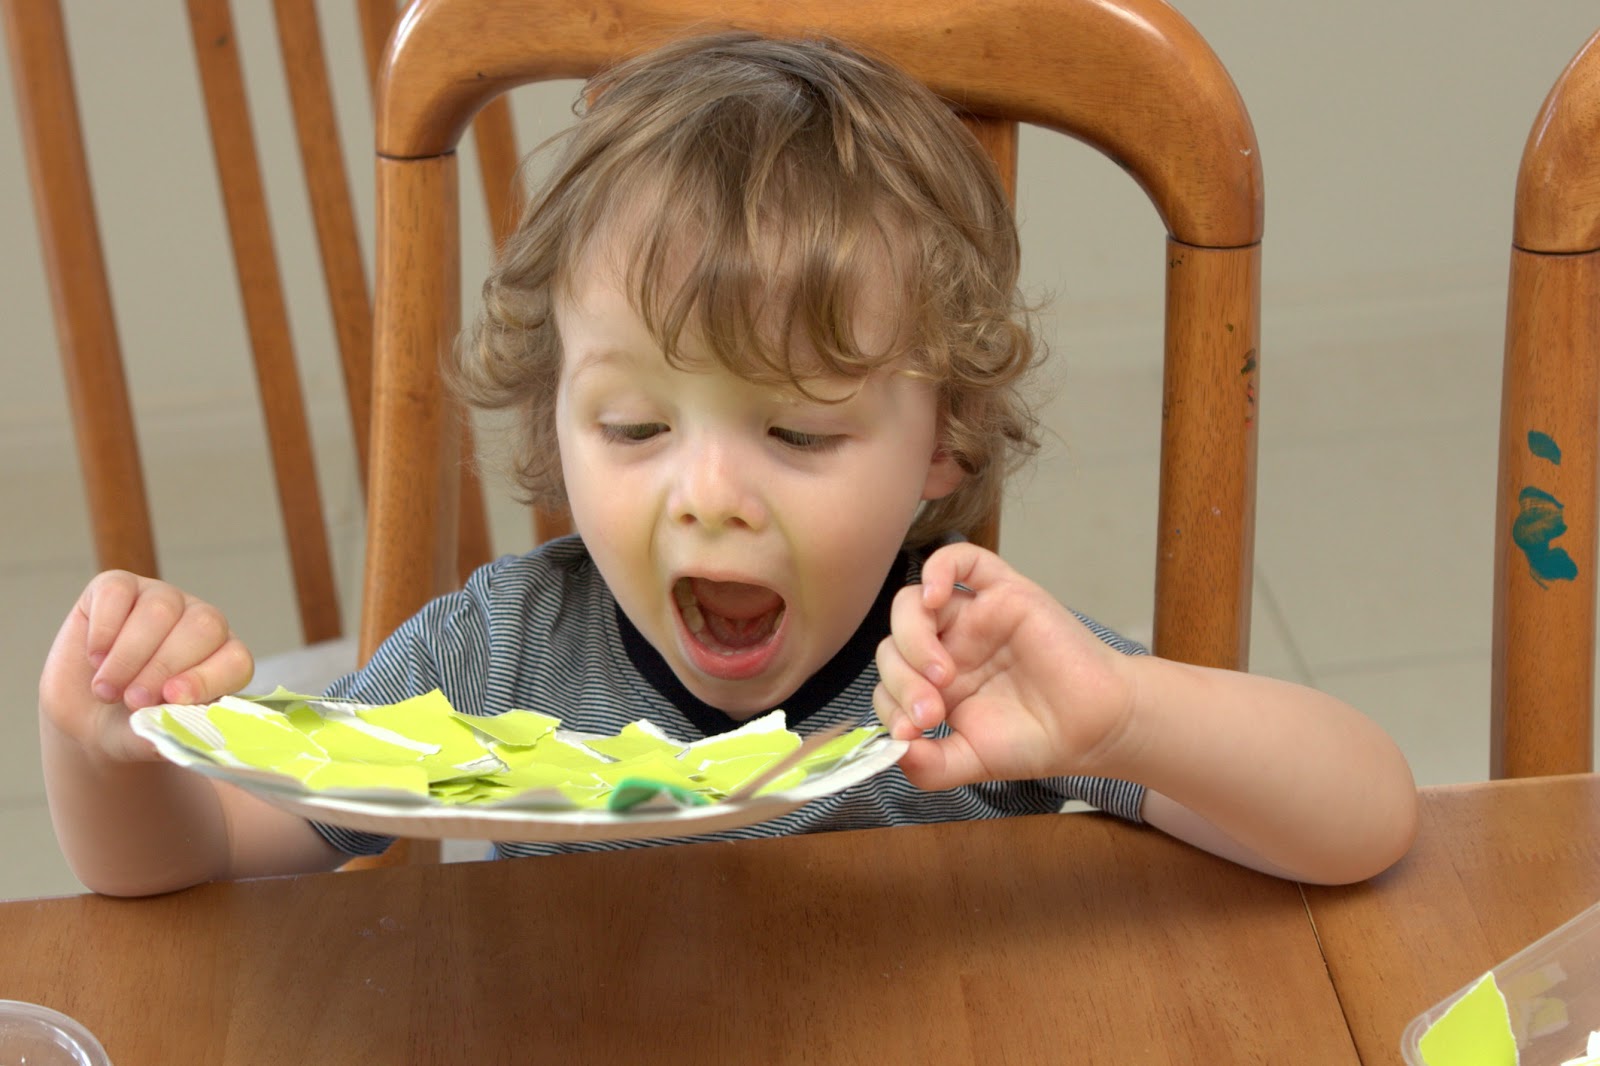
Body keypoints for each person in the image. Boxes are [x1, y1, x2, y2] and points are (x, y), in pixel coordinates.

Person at [38, 31, 1417, 898]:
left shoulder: (955, 674)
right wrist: (100, 742)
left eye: (800, 432)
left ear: (940, 444)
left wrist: (1118, 716)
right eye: (633, 428)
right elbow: (195, 861)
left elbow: (1365, 817)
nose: (706, 491)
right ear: (555, 418)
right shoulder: (499, 655)